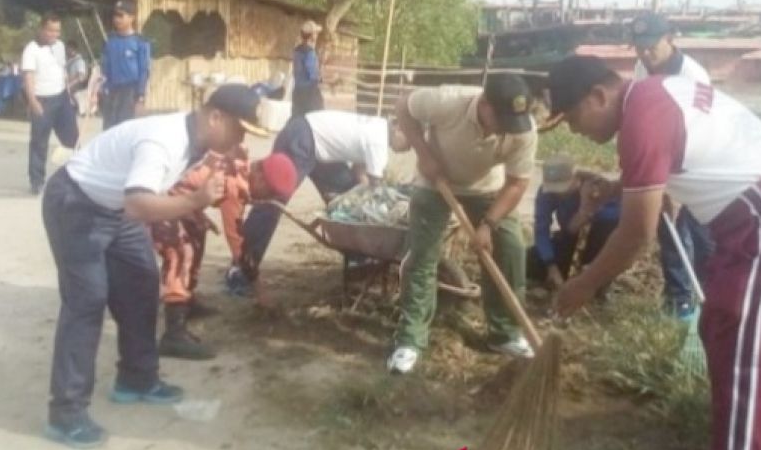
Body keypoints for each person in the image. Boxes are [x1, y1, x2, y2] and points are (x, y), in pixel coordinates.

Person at [545, 56, 761, 450]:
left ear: (598, 95)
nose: (575, 131)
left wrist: (583, 285)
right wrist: (616, 190)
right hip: (753, 224)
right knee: (721, 336)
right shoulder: (652, 98)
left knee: (746, 363)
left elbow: (637, 233)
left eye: (573, 118)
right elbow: (669, 167)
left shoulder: (643, 115)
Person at [41, 83, 269, 449]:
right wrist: (194, 200)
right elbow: (138, 204)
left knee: (141, 284)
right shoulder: (162, 142)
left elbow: (144, 201)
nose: (241, 139)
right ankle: (65, 413)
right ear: (215, 117)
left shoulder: (198, 143)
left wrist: (192, 210)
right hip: (78, 204)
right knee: (87, 301)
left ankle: (136, 377)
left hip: (116, 209)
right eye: (239, 129)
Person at [387, 74, 538, 375]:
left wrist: (488, 224)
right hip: (435, 182)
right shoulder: (448, 101)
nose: (509, 128)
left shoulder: (523, 129)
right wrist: (424, 154)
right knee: (422, 255)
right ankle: (411, 340)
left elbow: (517, 184)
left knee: (510, 247)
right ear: (484, 105)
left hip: (487, 189)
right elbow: (403, 105)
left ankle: (504, 334)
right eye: (502, 119)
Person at [231, 110, 409, 297]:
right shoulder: (379, 140)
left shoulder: (376, 128)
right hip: (303, 140)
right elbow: (376, 188)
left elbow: (360, 177)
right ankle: (241, 270)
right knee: (273, 200)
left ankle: (360, 260)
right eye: (410, 141)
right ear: (398, 128)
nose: (409, 148)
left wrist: (358, 198)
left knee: (347, 197)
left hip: (318, 147)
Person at [154, 149, 298, 359]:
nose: (265, 200)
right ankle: (173, 334)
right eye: (267, 192)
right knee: (181, 252)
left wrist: (197, 214)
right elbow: (238, 245)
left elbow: (191, 187)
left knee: (196, 234)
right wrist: (260, 289)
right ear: (258, 175)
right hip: (158, 201)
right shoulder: (233, 185)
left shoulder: (240, 169)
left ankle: (187, 303)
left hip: (180, 200)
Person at [631, 11, 715, 322]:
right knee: (669, 229)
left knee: (701, 232)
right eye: (639, 46)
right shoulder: (642, 67)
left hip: (699, 162)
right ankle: (678, 301)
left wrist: (679, 186)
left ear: (670, 39)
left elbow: (702, 131)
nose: (645, 52)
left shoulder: (694, 77)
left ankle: (711, 298)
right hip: (665, 160)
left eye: (651, 45)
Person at [529, 157, 621, 288]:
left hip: (598, 240)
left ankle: (596, 280)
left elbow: (617, 218)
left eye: (563, 188)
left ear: (575, 178)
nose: (559, 194)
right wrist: (551, 265)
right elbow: (541, 229)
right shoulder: (546, 192)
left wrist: (588, 210)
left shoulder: (599, 187)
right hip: (569, 237)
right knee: (532, 259)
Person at [22, 14, 78, 194]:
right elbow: (28, 77)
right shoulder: (31, 50)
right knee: (39, 142)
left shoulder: (60, 46)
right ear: (42, 29)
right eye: (51, 30)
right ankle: (36, 181)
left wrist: (68, 93)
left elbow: (62, 70)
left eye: (57, 31)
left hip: (61, 98)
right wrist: (33, 101)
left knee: (72, 139)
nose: (54, 34)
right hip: (42, 100)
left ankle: (75, 177)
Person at [97, 0, 151, 130]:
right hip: (111, 91)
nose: (117, 19)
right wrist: (100, 89)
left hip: (130, 92)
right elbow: (105, 68)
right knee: (108, 129)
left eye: (121, 15)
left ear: (132, 17)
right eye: (115, 15)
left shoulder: (140, 42)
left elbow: (144, 71)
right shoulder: (110, 40)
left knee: (125, 129)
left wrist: (140, 97)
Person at [290, 21, 324, 117]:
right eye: (316, 33)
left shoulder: (296, 51)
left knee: (297, 119)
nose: (317, 35)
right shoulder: (309, 53)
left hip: (297, 91)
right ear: (312, 36)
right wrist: (323, 79)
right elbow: (313, 76)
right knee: (316, 119)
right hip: (309, 93)